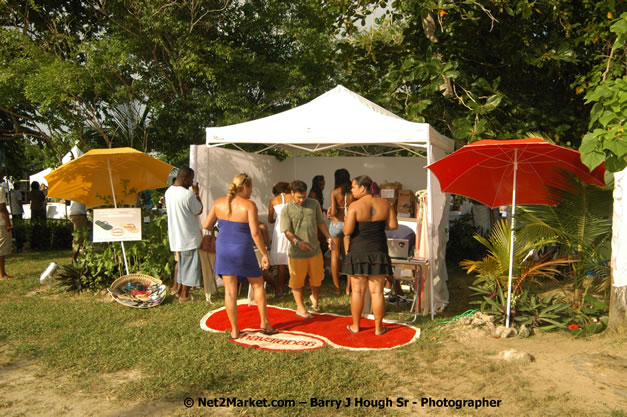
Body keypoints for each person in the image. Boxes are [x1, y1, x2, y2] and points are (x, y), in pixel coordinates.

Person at [203, 173, 277, 339]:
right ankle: (264, 323)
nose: (251, 191)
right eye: (251, 188)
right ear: (245, 187)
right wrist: (264, 253)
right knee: (257, 283)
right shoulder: (249, 205)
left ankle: (235, 330)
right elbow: (255, 233)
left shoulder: (218, 203)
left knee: (230, 291)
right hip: (243, 248)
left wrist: (223, 233)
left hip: (223, 247)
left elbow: (206, 225)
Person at [342, 175, 397, 336]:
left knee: (357, 292)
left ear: (362, 188)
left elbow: (347, 231)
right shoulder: (385, 204)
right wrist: (378, 225)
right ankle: (379, 328)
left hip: (358, 251)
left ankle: (355, 326)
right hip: (378, 251)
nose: (351, 190)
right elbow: (393, 225)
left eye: (353, 187)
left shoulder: (354, 206)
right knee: (377, 292)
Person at [281, 180, 335, 318]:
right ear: (292, 193)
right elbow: (287, 232)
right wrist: (298, 243)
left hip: (315, 250)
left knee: (317, 279)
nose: (302, 200)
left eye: (304, 196)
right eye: (299, 197)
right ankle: (300, 308)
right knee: (297, 281)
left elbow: (321, 222)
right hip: (296, 253)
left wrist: (329, 238)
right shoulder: (286, 209)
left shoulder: (314, 204)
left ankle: (314, 300)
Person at [165, 167, 203, 302]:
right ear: (184, 178)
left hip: (176, 236)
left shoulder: (168, 192)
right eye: (191, 179)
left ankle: (179, 290)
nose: (192, 182)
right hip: (188, 237)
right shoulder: (188, 194)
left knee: (182, 266)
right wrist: (197, 194)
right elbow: (198, 210)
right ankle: (185, 295)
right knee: (190, 267)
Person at [326, 168, 354, 295]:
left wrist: (329, 211)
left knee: (334, 256)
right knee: (349, 256)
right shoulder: (353, 193)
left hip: (336, 224)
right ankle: (349, 288)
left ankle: (337, 287)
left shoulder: (335, 192)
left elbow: (334, 213)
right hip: (349, 224)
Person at [267, 181, 293, 299]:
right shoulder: (292, 197)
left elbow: (270, 219)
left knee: (281, 262)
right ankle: (295, 286)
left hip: (280, 231)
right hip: (292, 229)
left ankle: (279, 289)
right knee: (295, 259)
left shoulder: (273, 201)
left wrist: (276, 220)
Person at [308, 175, 328, 256]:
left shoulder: (318, 193)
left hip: (318, 220)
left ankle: (320, 264)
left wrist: (324, 210)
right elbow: (312, 209)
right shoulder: (313, 194)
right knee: (321, 244)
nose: (323, 186)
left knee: (323, 244)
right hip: (315, 222)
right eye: (321, 184)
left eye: (323, 184)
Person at [0, 175, 14, 280]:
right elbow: (2, 208)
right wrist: (8, 224)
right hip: (1, 222)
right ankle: (2, 274)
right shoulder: (0, 189)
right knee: (2, 249)